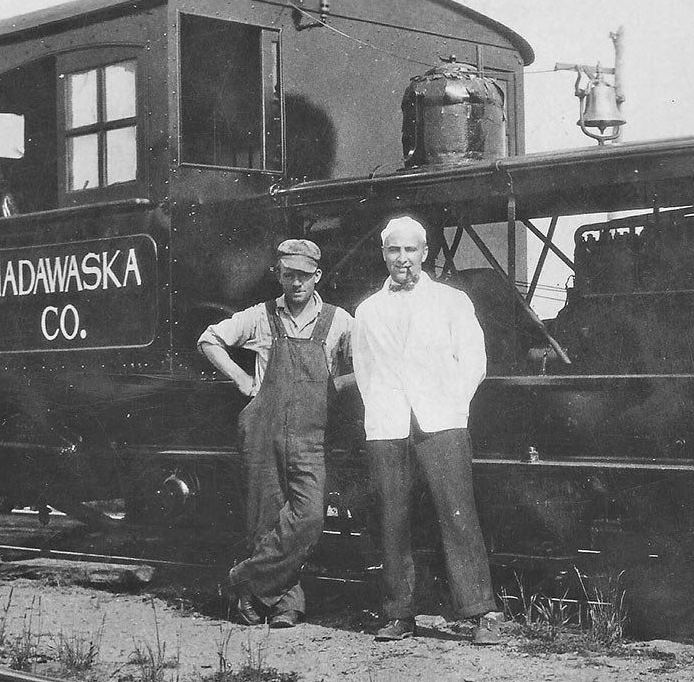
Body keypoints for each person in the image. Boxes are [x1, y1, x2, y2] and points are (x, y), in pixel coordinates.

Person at [352, 215, 501, 644]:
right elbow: (364, 369)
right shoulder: (367, 311)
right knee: (392, 520)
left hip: (442, 424)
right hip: (388, 426)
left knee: (458, 516)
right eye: (394, 250)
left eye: (411, 250)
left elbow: (474, 362)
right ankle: (399, 614)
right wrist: (382, 408)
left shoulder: (452, 302)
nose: (403, 258)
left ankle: (481, 614)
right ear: (384, 254)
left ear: (424, 253)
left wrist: (451, 405)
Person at [198, 239, 354, 629]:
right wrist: (241, 378)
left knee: (309, 517)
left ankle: (242, 582)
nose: (296, 282)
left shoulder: (339, 320)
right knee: (266, 522)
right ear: (279, 275)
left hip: (310, 435)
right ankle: (286, 605)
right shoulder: (260, 316)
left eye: (304, 275)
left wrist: (336, 385)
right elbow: (209, 339)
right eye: (289, 275)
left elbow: (368, 362)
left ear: (317, 276)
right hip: (263, 432)